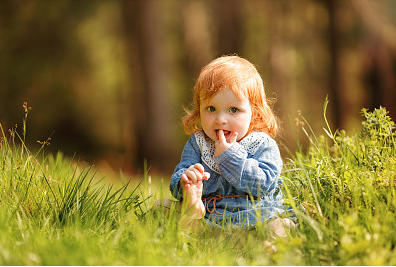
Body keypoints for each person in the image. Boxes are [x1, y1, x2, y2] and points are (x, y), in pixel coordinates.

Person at [156, 55, 295, 233]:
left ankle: (253, 245)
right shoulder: (199, 143)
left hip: (254, 221)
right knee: (162, 207)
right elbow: (179, 177)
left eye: (233, 110)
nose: (221, 120)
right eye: (211, 109)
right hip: (206, 217)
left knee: (281, 227)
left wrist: (230, 157)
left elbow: (265, 184)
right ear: (199, 109)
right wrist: (186, 182)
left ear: (255, 112)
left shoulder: (262, 144)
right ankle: (199, 227)